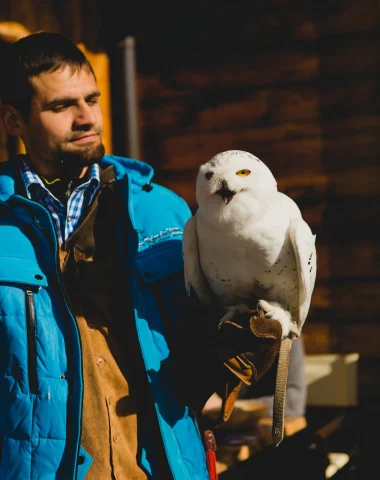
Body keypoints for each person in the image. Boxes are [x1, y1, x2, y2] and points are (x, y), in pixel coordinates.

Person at [0, 31, 284, 479]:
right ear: (15, 120)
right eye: (61, 106)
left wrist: (231, 351)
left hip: (162, 466)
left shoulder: (164, 213)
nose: (86, 118)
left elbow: (191, 356)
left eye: (91, 100)